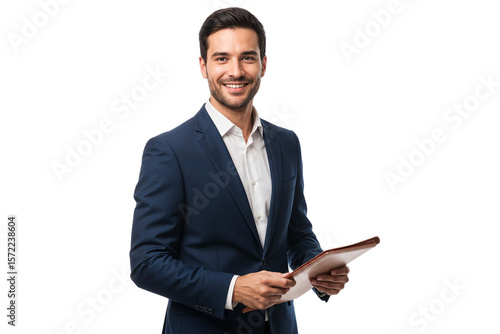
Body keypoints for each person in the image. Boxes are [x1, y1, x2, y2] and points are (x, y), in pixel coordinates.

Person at [129, 7, 349, 334]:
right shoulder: (170, 150)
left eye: (247, 58)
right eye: (221, 59)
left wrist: (318, 268)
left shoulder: (286, 143)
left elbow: (296, 232)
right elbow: (147, 263)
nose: (236, 71)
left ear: (263, 63)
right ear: (203, 66)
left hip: (279, 327)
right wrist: (232, 289)